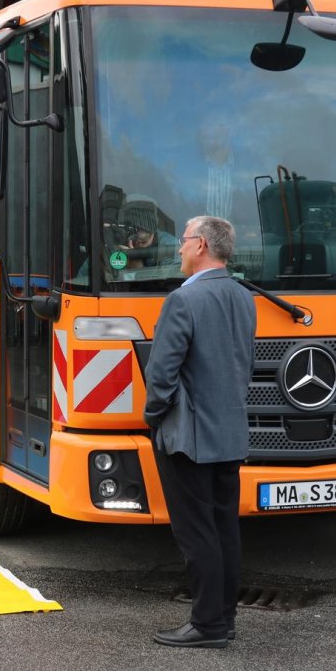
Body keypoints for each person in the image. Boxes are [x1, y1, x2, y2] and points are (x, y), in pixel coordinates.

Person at [143, 215, 256, 648]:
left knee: (196, 532)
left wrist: (154, 417)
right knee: (224, 527)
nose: (178, 249)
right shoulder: (243, 297)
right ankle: (223, 620)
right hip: (229, 431)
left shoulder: (182, 302)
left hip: (187, 437)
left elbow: (162, 374)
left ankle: (207, 626)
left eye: (184, 241)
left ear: (202, 245)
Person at [113, 195, 180, 270]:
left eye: (141, 229)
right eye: (132, 229)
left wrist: (137, 266)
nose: (137, 236)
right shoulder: (123, 241)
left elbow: (169, 279)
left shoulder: (169, 246)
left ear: (153, 228)